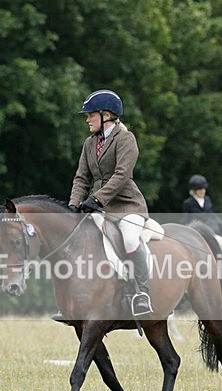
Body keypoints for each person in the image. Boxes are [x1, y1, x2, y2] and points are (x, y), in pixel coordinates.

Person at [67, 89, 152, 317]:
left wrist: (97, 198)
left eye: (91, 115)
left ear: (106, 115)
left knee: (130, 237)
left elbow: (122, 174)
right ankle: (74, 300)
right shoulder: (89, 144)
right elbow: (81, 177)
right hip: (98, 207)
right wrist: (74, 204)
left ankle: (142, 294)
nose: (87, 120)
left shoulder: (125, 139)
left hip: (126, 206)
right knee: (79, 241)